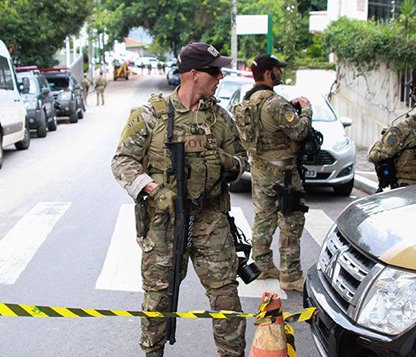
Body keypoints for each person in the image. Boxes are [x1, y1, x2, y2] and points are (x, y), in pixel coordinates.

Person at [112, 42, 248, 357]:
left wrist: (225, 162)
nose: (220, 76)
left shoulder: (219, 117)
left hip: (210, 219)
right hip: (164, 222)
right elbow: (122, 161)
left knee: (226, 295)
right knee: (158, 298)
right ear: (192, 74)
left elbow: (242, 162)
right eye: (214, 71)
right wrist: (152, 190)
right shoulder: (151, 115)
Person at [232, 54, 312, 291]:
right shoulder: (275, 103)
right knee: (291, 219)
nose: (280, 73)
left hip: (260, 171)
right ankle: (290, 275)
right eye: (277, 69)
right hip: (283, 173)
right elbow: (299, 132)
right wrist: (306, 111)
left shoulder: (247, 102)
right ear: (268, 73)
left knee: (263, 218)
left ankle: (263, 264)